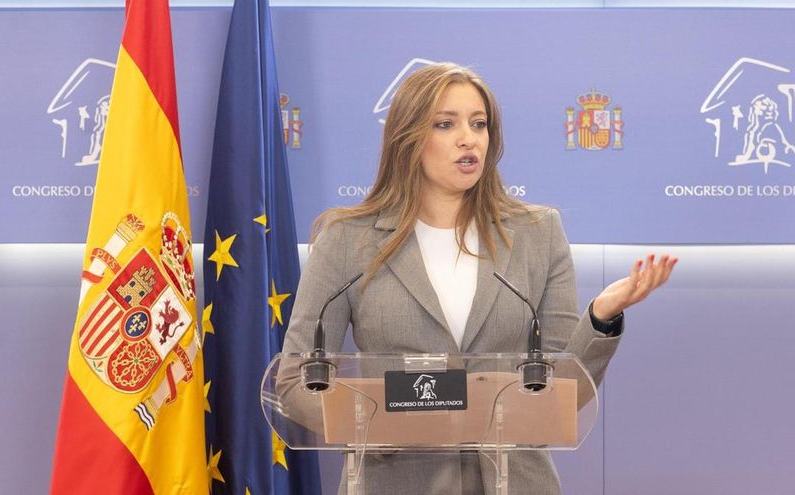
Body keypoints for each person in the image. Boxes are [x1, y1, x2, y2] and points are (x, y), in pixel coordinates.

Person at [282, 62, 677, 494]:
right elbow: (292, 383)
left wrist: (602, 316)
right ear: (407, 137)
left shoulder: (537, 233)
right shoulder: (346, 239)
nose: (468, 138)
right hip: (395, 478)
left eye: (479, 123)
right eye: (445, 124)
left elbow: (564, 391)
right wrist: (385, 418)